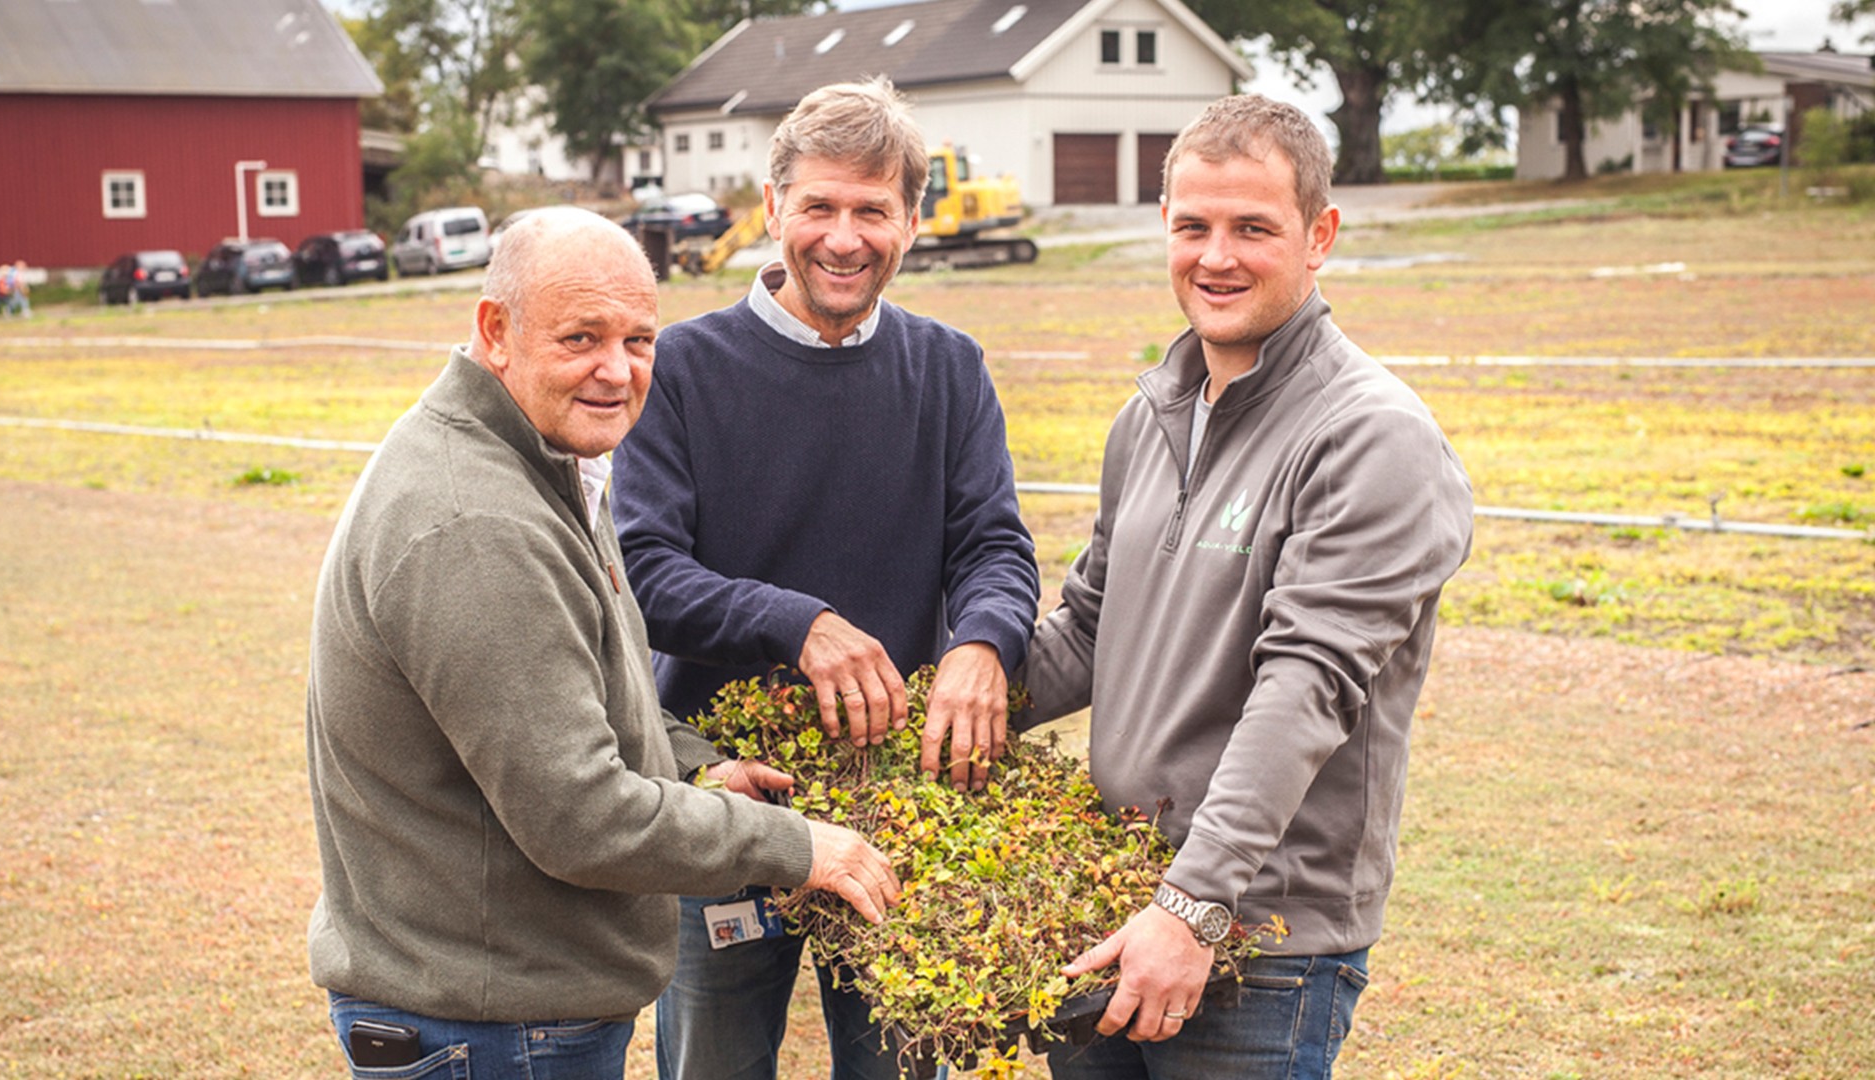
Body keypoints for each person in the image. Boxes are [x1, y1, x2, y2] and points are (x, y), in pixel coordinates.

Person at [304, 207, 900, 1080]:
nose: (616, 371)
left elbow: (578, 690)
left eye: (639, 340)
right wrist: (801, 846)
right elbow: (577, 815)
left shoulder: (539, 460)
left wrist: (695, 765)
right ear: (494, 331)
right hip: (493, 1026)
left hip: (509, 1004)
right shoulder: (476, 520)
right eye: (581, 337)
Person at [1015, 94, 1475, 1080]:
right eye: (1193, 226)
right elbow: (1089, 630)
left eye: (1252, 228)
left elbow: (1305, 689)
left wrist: (1193, 908)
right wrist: (937, 699)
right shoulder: (1151, 418)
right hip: (1112, 904)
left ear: (1321, 237)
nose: (1215, 257)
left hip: (1260, 944)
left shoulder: (1370, 436)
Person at [610, 77, 1041, 1080]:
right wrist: (799, 623)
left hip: (902, 798)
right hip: (731, 797)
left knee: (899, 1064)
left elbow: (994, 545)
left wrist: (984, 642)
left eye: (871, 210)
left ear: (913, 221)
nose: (843, 238)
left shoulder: (950, 368)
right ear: (774, 210)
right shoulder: (680, 367)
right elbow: (645, 574)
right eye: (819, 207)